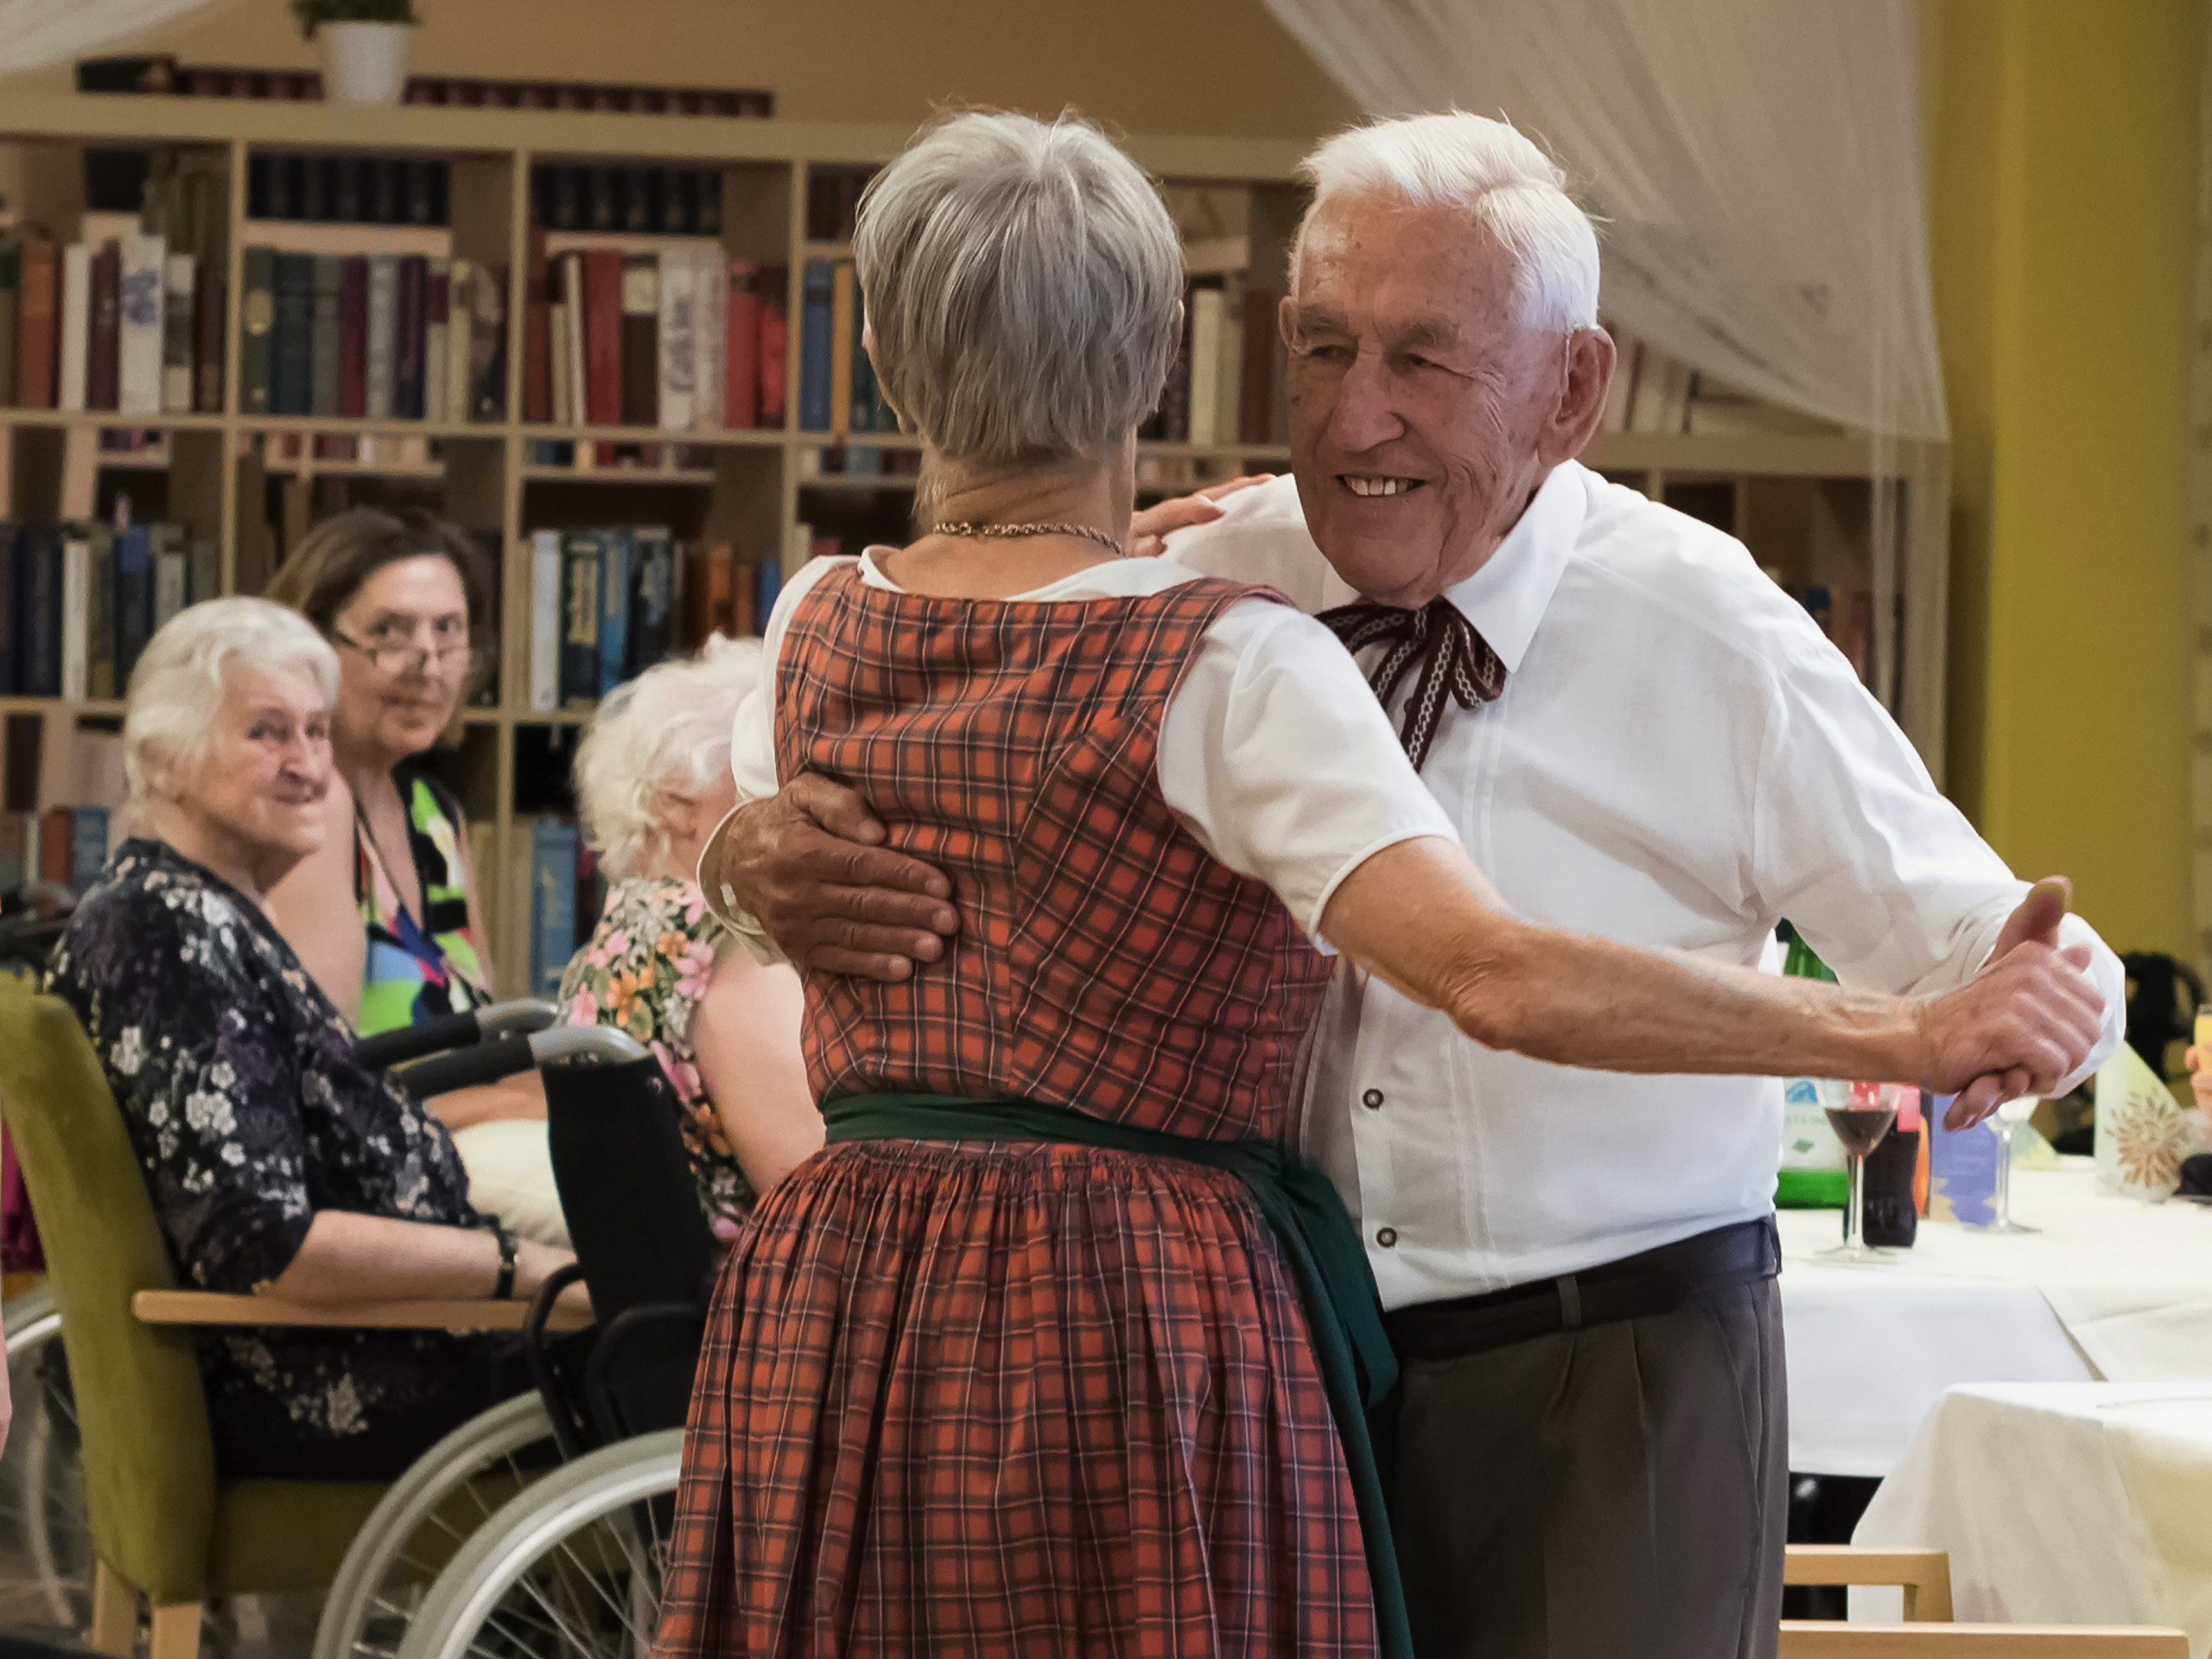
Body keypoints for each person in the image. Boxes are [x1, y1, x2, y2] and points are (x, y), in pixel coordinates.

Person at [664, 110, 2101, 1658]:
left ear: (1572, 388)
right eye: (1323, 349)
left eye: (1422, 362)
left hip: (1600, 1363)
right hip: (1260, 1363)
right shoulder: (1211, 586)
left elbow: (1982, 942)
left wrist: (2028, 1007)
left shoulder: (1710, 626)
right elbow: (974, 669)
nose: (1356, 422)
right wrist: (747, 854)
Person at [46, 599, 574, 1479]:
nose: (308, 766)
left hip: (376, 1341)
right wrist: (524, 1267)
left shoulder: (203, 911)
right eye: (267, 733)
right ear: (161, 763)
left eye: (319, 733)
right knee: (692, 1362)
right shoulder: (167, 935)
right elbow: (265, 1239)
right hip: (331, 1377)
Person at [261, 506, 561, 1244]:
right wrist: (512, 1102)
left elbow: (480, 1034)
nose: (427, 662)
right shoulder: (315, 809)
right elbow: (326, 1086)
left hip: (458, 1138)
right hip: (373, 1167)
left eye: (449, 632)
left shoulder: (433, 813)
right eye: (391, 632)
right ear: (313, 650)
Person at [562, 637, 819, 1227]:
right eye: (766, 770)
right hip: (768, 1304)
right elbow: (820, 1197)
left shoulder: (617, 944)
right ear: (675, 800)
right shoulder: (723, 946)